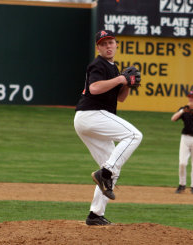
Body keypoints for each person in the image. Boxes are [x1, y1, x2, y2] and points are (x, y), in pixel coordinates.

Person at [74, 30, 143, 226]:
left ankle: (95, 214)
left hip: (89, 119)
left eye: (111, 42)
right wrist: (122, 79)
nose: (108, 46)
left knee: (113, 168)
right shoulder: (98, 64)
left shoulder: (114, 69)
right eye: (104, 43)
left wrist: (128, 84)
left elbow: (120, 98)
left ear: (116, 44)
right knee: (134, 135)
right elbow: (94, 88)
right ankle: (103, 173)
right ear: (98, 47)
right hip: (91, 114)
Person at [171, 91, 193, 194]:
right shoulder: (184, 109)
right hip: (185, 138)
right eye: (189, 97)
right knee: (182, 163)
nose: (191, 99)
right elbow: (173, 119)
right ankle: (182, 185)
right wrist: (182, 111)